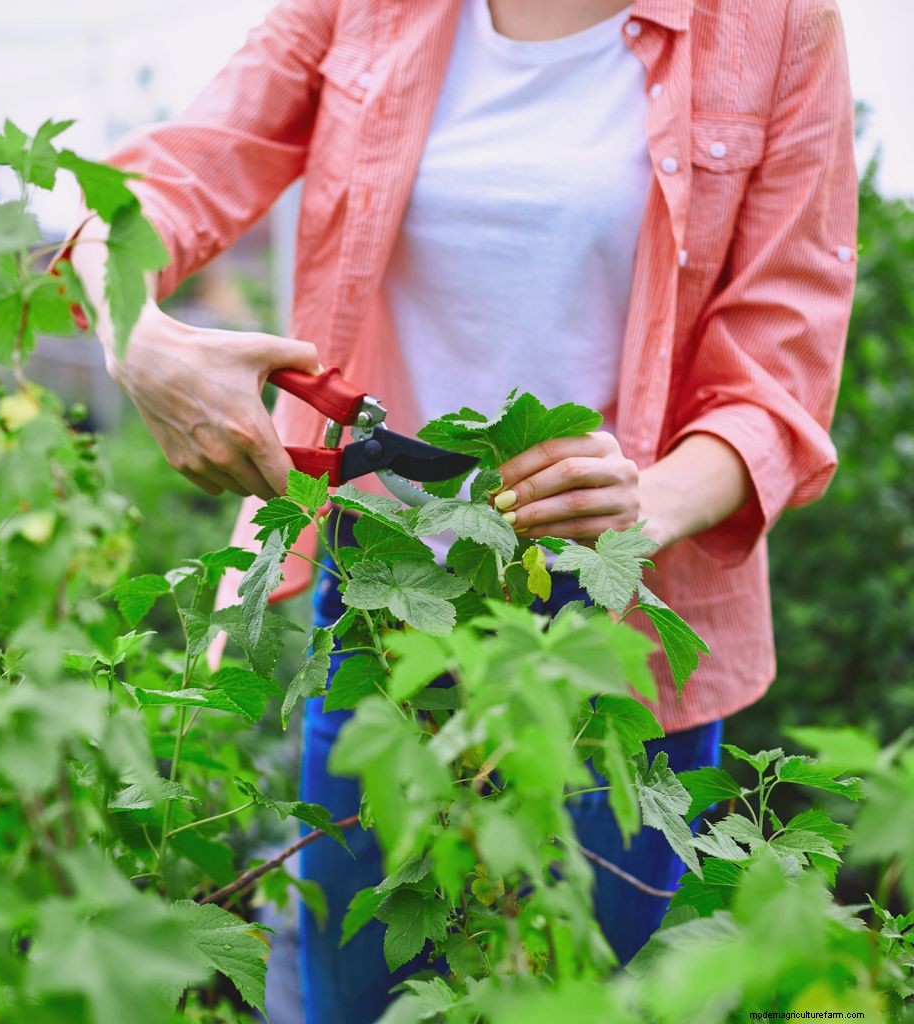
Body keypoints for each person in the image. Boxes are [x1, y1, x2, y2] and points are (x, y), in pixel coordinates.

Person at [66, 0, 857, 1019]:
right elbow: (168, 176)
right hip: (382, 607)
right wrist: (132, 330)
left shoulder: (775, 25)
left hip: (616, 630)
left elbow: (780, 370)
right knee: (365, 993)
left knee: (589, 995)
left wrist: (644, 501)